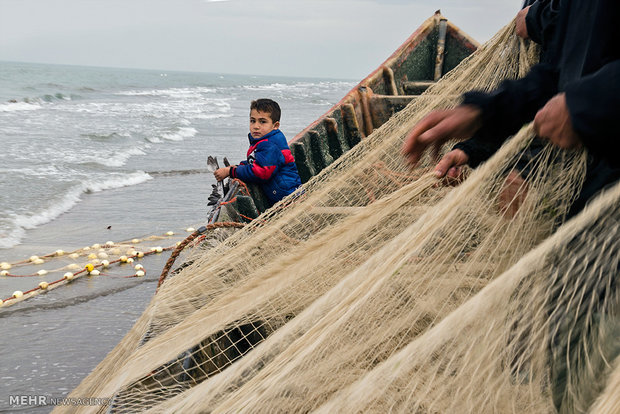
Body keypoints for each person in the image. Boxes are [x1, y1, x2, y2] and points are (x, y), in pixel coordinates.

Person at [403, 0, 620, 219]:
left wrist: (587, 102)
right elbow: (559, 77)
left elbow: (574, 89)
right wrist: (482, 115)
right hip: (590, 188)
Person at [214, 99, 302, 206]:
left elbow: (261, 172)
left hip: (288, 197)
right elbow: (256, 161)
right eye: (252, 121)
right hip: (279, 194)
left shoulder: (269, 144)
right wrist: (239, 166)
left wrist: (231, 171)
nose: (256, 126)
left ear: (275, 125)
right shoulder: (263, 140)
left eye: (262, 122)